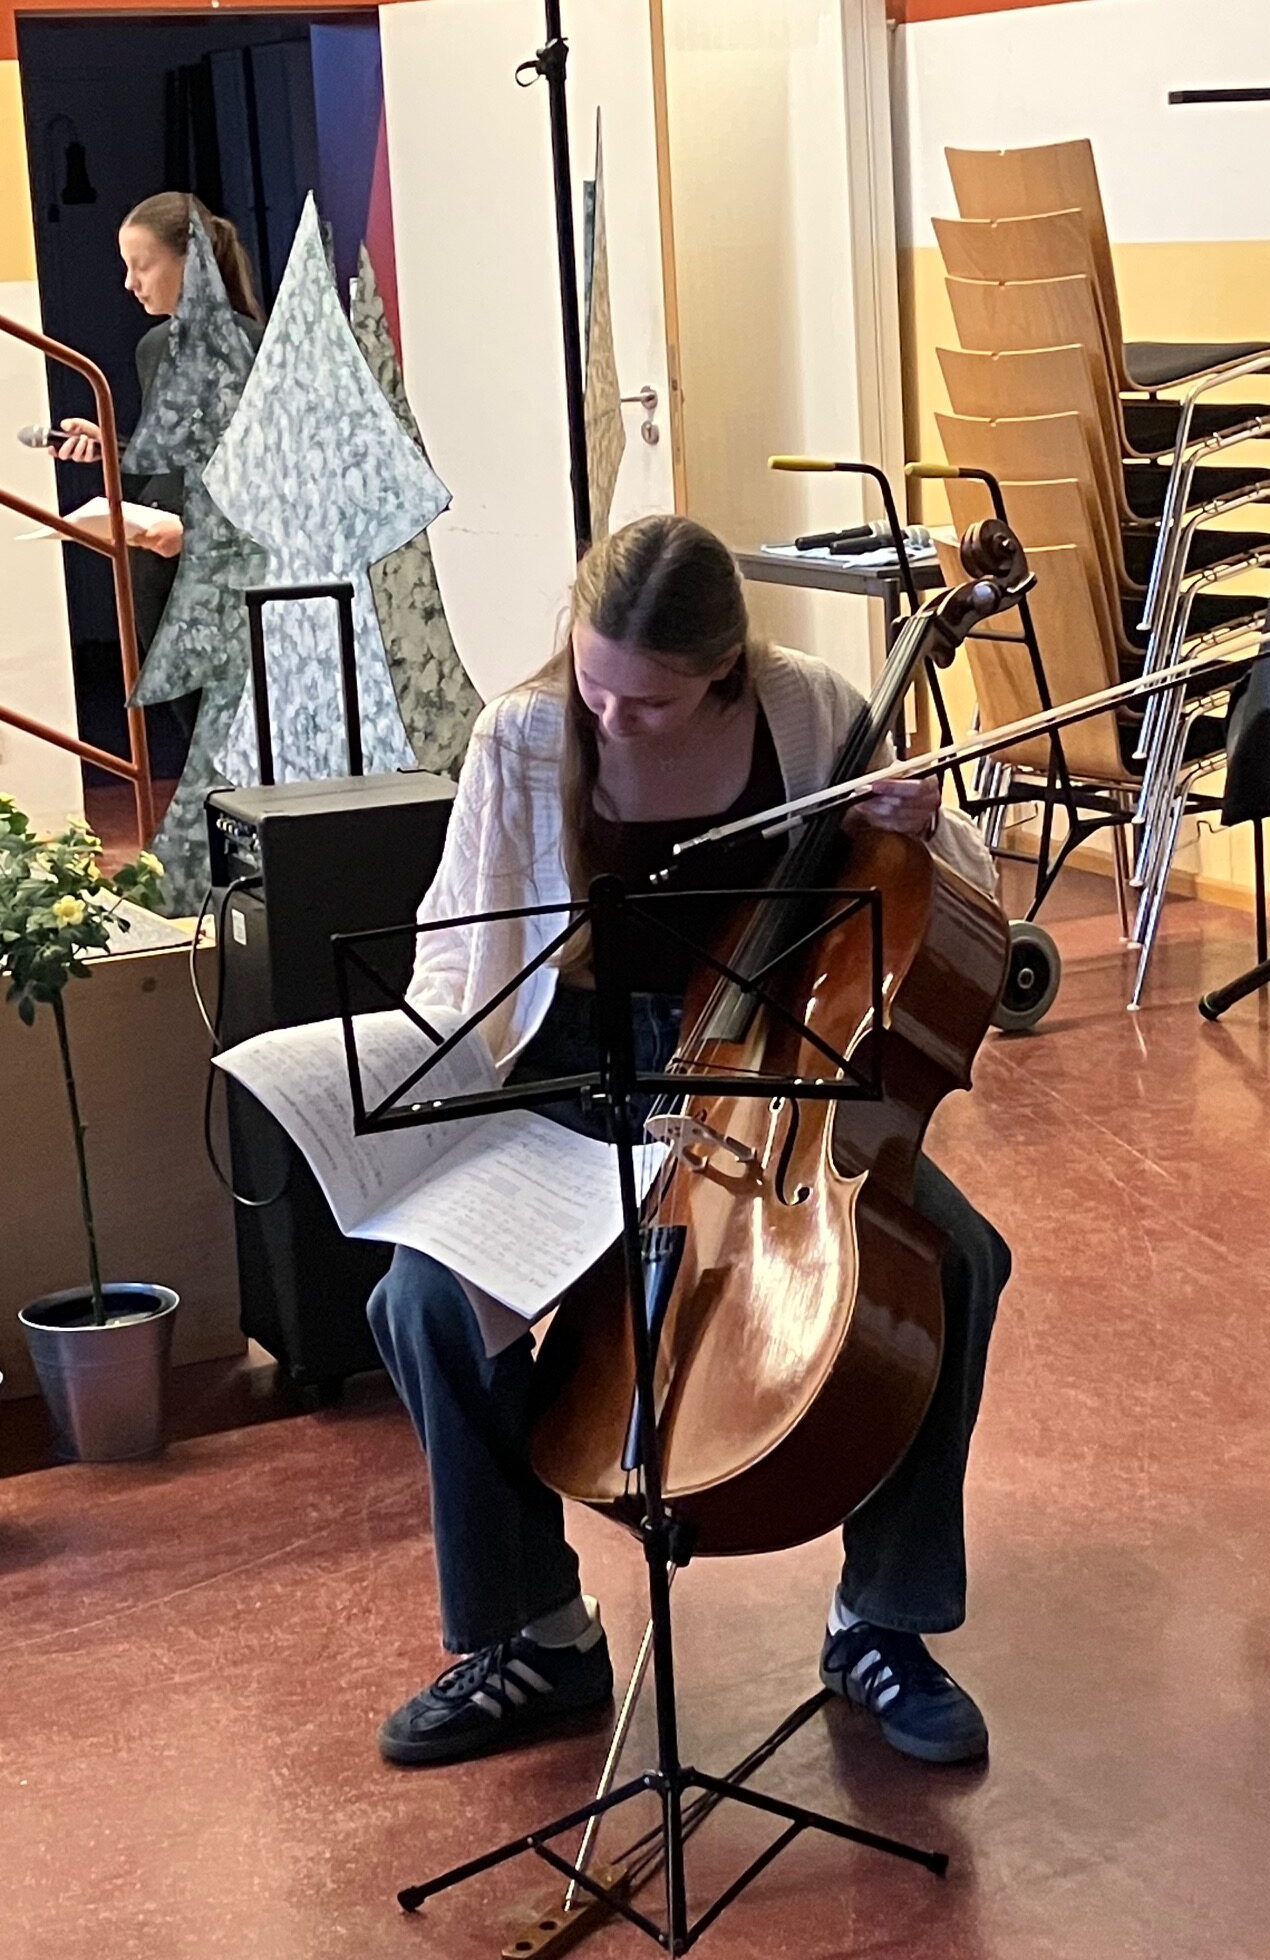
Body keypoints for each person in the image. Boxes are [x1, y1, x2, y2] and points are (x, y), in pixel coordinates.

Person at [370, 516, 1011, 1771]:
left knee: (953, 1260)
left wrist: (922, 822)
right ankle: (537, 1636)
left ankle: (883, 1622)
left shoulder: (810, 710)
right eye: (594, 682)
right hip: (573, 1070)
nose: (612, 717)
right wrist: (420, 1095)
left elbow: (950, 874)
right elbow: (460, 946)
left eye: (650, 702)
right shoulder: (525, 735)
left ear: (724, 669)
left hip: (764, 1073)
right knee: (425, 1299)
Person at [49, 193, 264, 689]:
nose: (130, 283)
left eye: (142, 266)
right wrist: (113, 447)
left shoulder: (246, 348)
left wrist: (194, 535)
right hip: (158, 577)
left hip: (219, 580)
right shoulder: (155, 347)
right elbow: (178, 466)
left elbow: (260, 477)